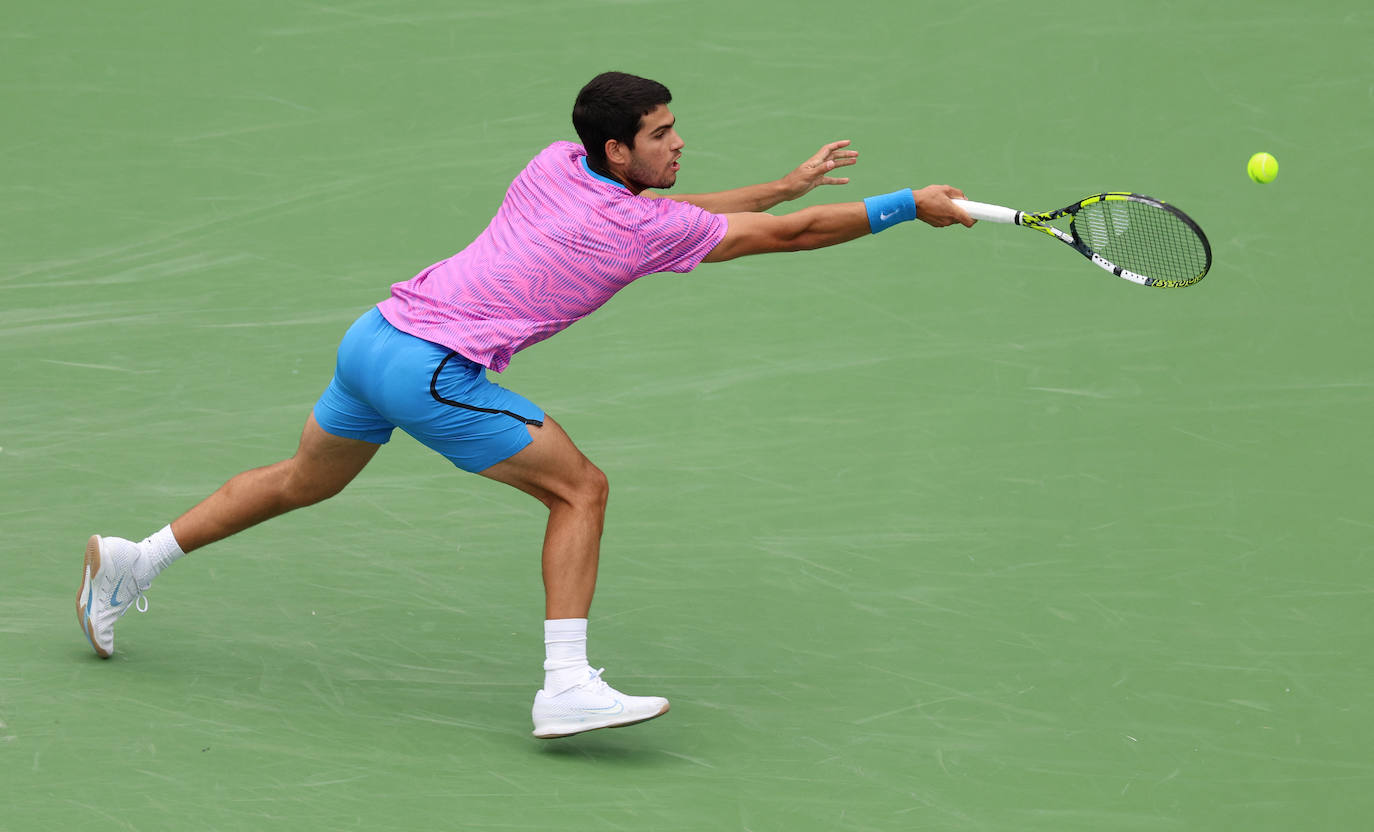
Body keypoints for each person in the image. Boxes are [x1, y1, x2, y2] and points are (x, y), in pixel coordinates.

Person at [76, 71, 974, 739]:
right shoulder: (638, 222)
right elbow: (785, 237)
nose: (677, 144)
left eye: (674, 130)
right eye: (661, 134)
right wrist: (904, 206)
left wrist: (779, 184)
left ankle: (131, 560)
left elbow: (704, 212)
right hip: (433, 369)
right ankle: (565, 685)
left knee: (301, 481)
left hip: (374, 337)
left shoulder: (556, 164)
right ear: (618, 149)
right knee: (579, 489)